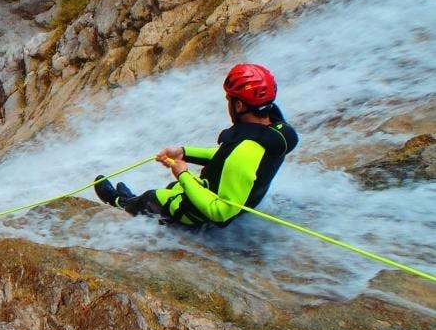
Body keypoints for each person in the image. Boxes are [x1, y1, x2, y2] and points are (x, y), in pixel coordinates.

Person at [94, 63, 298, 227]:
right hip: (230, 197)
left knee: (154, 197)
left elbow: (221, 213)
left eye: (230, 99)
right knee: (174, 188)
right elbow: (225, 158)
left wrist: (183, 174)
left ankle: (119, 202)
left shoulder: (244, 153)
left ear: (239, 105)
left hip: (203, 215)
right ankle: (133, 199)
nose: (228, 104)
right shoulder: (273, 133)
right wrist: (184, 153)